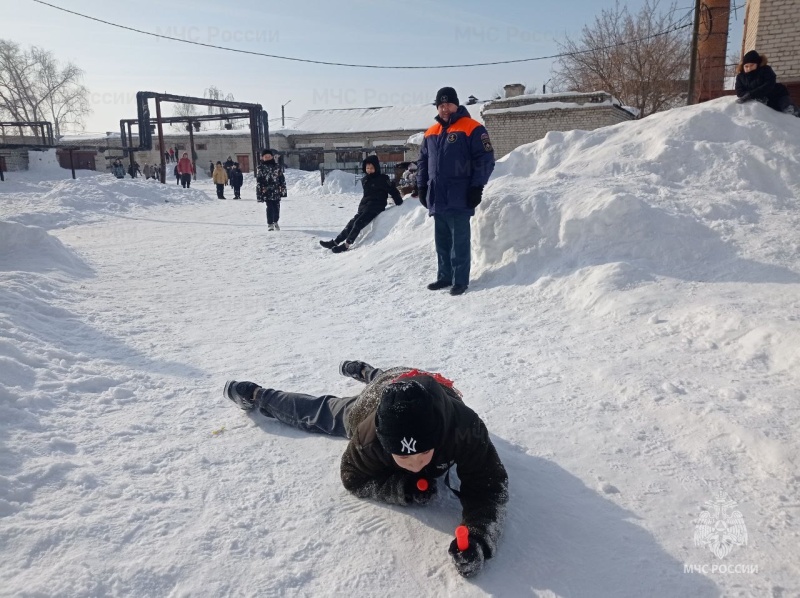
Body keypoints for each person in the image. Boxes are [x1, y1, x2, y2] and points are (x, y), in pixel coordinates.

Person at [223, 361, 508, 578]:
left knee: (391, 380)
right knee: (325, 411)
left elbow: (489, 486)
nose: (415, 464)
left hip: (424, 382)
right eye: (402, 457)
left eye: (423, 452)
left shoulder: (465, 429)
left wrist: (479, 537)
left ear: (439, 437)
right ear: (384, 446)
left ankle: (369, 371)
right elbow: (352, 477)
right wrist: (400, 488)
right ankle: (260, 395)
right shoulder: (367, 435)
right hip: (380, 392)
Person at [417, 87, 495, 296]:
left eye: (448, 104)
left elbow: (485, 160)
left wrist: (477, 187)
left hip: (461, 195)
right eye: (440, 105)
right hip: (437, 196)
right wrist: (422, 186)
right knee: (442, 241)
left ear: (456, 104)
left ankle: (460, 280)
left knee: (459, 241)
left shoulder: (472, 128)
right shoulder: (431, 132)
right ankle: (445, 276)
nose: (444, 109)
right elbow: (423, 162)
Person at [319, 155, 403, 253]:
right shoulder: (365, 180)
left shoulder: (383, 179)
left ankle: (346, 245)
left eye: (372, 168)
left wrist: (399, 202)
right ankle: (335, 242)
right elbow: (366, 196)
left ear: (376, 167)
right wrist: (361, 207)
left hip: (376, 207)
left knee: (358, 223)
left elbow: (392, 190)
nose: (369, 170)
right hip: (365, 207)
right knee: (351, 223)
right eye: (367, 168)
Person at [736, 50, 800, 117]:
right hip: (764, 100)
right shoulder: (741, 77)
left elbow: (768, 86)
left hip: (778, 96)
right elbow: (739, 92)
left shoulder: (766, 70)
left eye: (752, 65)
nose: (749, 68)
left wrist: (750, 95)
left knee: (791, 112)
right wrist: (753, 96)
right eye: (746, 66)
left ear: (757, 64)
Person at [256, 148, 287, 231]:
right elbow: (259, 180)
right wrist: (260, 192)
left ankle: (275, 221)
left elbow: (281, 178)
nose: (267, 158)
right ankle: (270, 223)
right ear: (262, 158)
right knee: (269, 207)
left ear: (272, 157)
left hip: (276, 190)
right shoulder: (260, 168)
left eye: (269, 156)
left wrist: (283, 189)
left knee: (276, 207)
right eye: (265, 156)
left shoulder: (276, 167)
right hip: (266, 191)